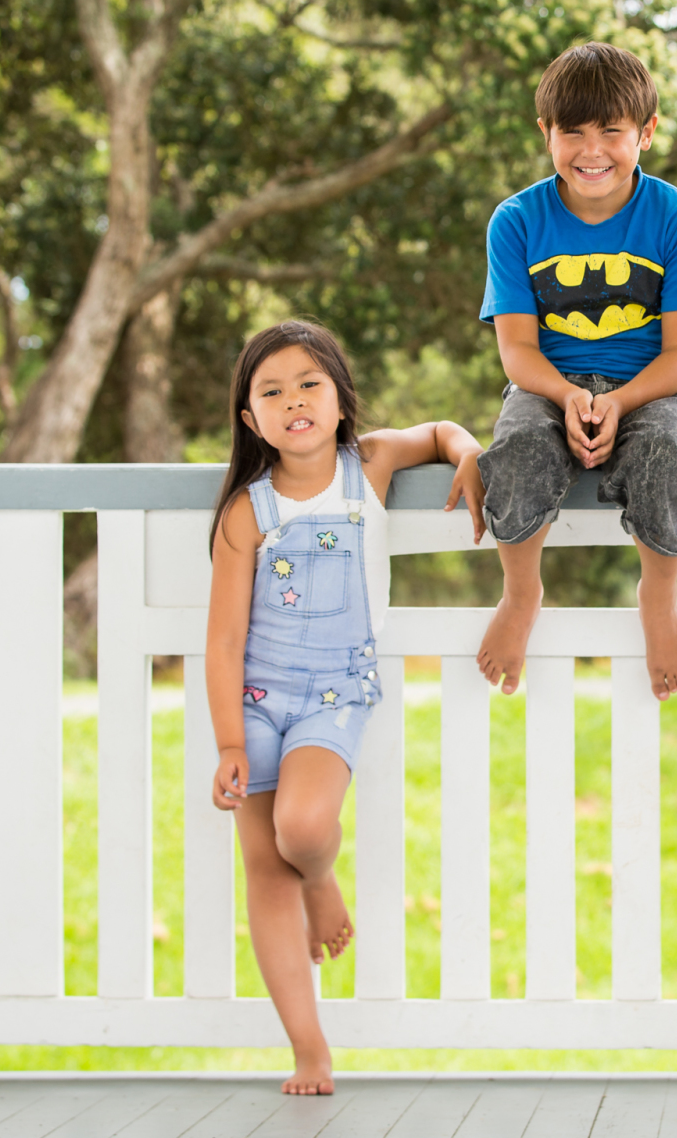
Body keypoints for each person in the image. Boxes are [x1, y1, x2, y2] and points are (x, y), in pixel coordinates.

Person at [206, 319, 485, 1095]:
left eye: (309, 384)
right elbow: (224, 642)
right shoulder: (247, 512)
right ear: (250, 419)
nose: (294, 401)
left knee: (300, 829)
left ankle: (319, 872)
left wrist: (468, 452)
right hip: (257, 697)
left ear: (338, 398)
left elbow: (439, 431)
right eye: (272, 392)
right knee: (264, 868)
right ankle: (309, 1050)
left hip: (335, 690)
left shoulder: (371, 465)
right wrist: (230, 742)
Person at [474, 41, 677, 701]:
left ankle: (659, 598)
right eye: (573, 132)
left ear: (646, 132)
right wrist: (567, 396)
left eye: (612, 131)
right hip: (545, 381)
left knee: (670, 451)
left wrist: (619, 401)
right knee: (517, 446)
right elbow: (517, 351)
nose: (593, 150)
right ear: (546, 133)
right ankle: (521, 593)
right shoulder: (516, 221)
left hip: (654, 385)